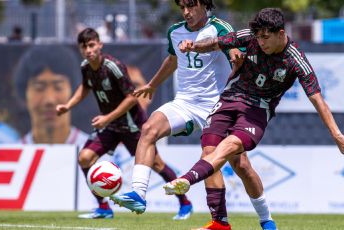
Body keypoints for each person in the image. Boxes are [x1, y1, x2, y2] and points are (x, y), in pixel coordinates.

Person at [163, 7, 344, 229]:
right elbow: (216, 43)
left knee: (230, 147)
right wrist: (194, 46)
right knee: (214, 153)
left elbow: (317, 100)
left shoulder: (296, 60)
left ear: (281, 33)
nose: (261, 42)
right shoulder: (249, 37)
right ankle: (220, 223)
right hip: (230, 98)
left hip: (258, 109)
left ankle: (191, 182)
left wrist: (336, 134)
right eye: (259, 37)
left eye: (266, 37)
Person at [110, 1, 275, 229]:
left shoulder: (219, 28)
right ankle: (139, 194)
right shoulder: (175, 32)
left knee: (240, 166)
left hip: (218, 105)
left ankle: (266, 220)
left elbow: (236, 52)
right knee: (148, 129)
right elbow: (173, 59)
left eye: (191, 6)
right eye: (182, 7)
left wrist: (237, 58)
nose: (186, 12)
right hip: (185, 103)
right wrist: (152, 84)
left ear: (204, 5)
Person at [55, 28, 192, 220]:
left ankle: (185, 203)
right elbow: (85, 87)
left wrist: (107, 118)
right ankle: (103, 208)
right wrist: (68, 105)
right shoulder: (86, 66)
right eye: (84, 46)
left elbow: (131, 98)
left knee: (156, 164)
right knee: (85, 158)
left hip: (131, 126)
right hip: (110, 126)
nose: (88, 50)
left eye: (92, 45)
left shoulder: (113, 66)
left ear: (100, 45)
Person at [12, 45, 89, 146]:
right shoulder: (6, 159)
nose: (49, 100)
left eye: (58, 87)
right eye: (39, 88)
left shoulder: (102, 156)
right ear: (25, 93)